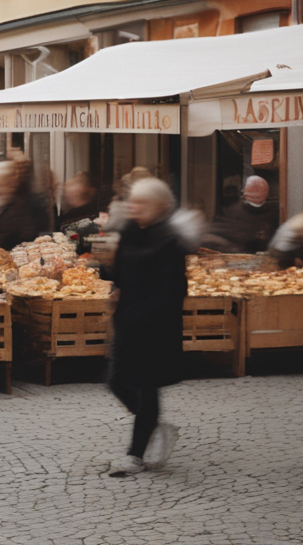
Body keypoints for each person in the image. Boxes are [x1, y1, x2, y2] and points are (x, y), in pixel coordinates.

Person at [104, 177, 203, 477]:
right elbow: (119, 271)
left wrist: (145, 313)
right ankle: (154, 428)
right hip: (127, 321)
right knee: (116, 381)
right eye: (132, 201)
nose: (134, 207)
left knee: (148, 388)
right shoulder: (129, 231)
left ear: (160, 206)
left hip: (156, 326)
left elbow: (174, 290)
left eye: (142, 202)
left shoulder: (169, 239)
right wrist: (108, 275)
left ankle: (135, 455)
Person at [206, 175, 278, 253]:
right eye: (253, 189)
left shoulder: (273, 213)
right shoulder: (232, 211)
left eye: (258, 190)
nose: (255, 193)